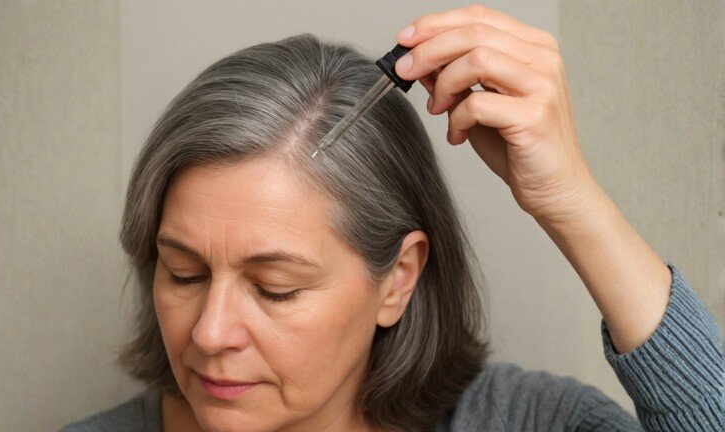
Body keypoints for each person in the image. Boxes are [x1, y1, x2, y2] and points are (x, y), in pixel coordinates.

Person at [61, 4, 724, 432]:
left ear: (398, 279)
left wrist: (572, 200)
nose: (209, 333)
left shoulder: (530, 422)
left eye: (274, 288)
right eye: (183, 273)